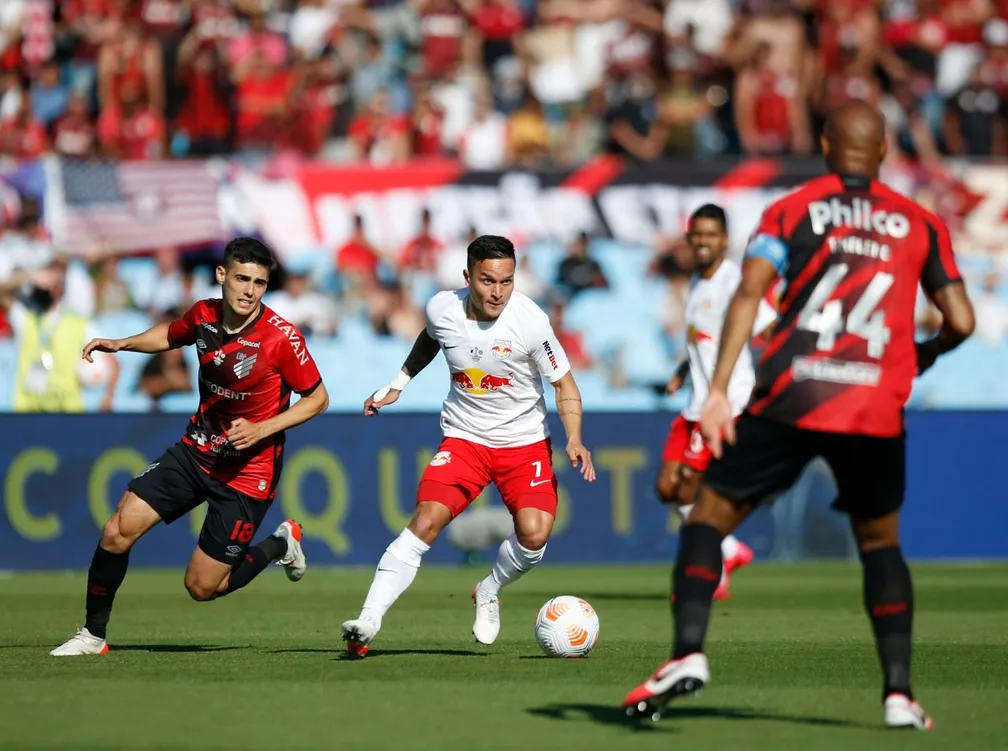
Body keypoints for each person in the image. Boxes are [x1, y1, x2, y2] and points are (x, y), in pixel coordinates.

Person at [623, 100, 975, 729]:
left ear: (826, 145)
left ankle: (687, 653)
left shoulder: (792, 209)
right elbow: (963, 321)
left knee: (707, 515)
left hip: (795, 392)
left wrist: (718, 391)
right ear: (884, 149)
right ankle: (899, 696)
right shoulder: (921, 223)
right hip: (873, 403)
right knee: (880, 544)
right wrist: (925, 352)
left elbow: (749, 293)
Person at [50, 238, 331, 656]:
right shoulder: (203, 315)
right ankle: (92, 635)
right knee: (116, 531)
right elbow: (169, 334)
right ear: (222, 275)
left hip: (247, 473)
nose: (249, 291)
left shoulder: (280, 339)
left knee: (202, 587)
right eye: (242, 279)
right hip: (195, 452)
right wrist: (121, 344)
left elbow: (318, 399)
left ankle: (279, 544)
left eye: (259, 283)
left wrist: (262, 429)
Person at [342, 234, 596, 656]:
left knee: (535, 534)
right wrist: (398, 383)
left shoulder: (530, 321)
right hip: (466, 439)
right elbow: (430, 338)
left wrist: (574, 438)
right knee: (425, 520)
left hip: (524, 443)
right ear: (468, 277)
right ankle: (367, 621)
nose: (498, 292)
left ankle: (489, 588)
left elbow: (564, 384)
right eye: (487, 281)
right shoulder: (442, 308)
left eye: (506, 281)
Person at [656, 204, 777, 600]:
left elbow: (770, 328)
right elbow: (704, 340)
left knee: (690, 489)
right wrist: (683, 369)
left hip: (725, 405)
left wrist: (771, 383)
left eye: (711, 235)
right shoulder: (697, 281)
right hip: (694, 403)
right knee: (666, 488)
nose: (703, 242)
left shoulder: (735, 282)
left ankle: (713, 569)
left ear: (725, 240)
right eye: (697, 235)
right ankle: (729, 549)